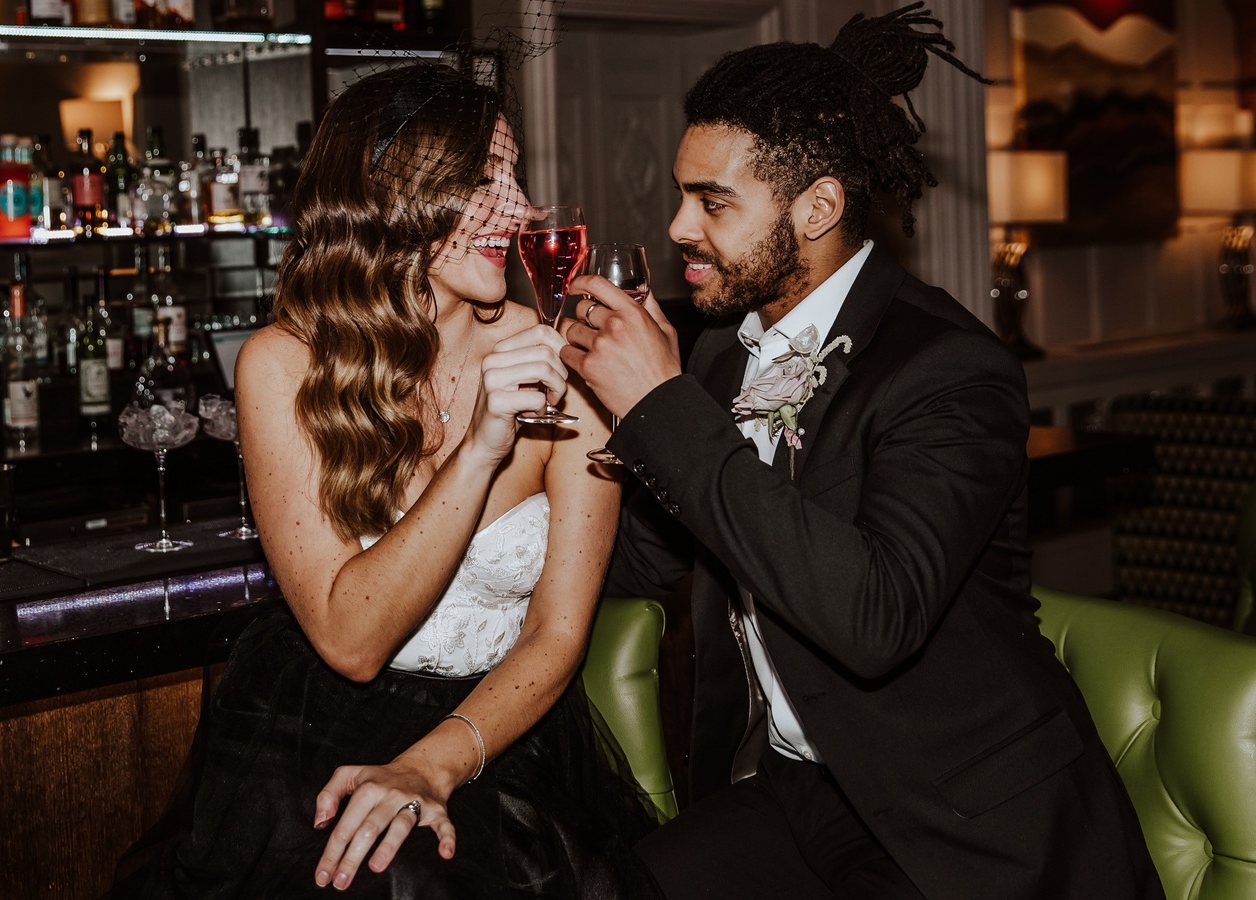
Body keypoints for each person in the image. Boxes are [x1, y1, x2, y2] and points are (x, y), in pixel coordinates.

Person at [559, 6, 1164, 899]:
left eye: (713, 201)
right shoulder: (725, 351)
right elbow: (646, 556)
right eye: (687, 194)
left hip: (959, 817)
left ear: (819, 208)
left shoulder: (950, 368)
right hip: (796, 788)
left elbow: (875, 619)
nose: (680, 226)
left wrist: (663, 407)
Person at [123, 63, 660, 898]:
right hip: (304, 729)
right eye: (483, 181)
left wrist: (431, 767)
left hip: (492, 732)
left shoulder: (564, 359)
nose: (517, 210)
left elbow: (557, 637)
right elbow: (352, 639)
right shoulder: (283, 365)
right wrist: (480, 447)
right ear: (387, 193)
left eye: (514, 179)